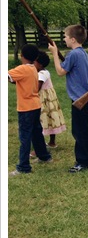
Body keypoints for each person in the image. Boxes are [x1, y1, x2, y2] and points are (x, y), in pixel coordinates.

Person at [49, 24, 88, 172]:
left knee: (79, 131)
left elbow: (60, 71)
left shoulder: (73, 54)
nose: (64, 39)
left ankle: (83, 161)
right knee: (87, 129)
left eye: (65, 37)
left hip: (80, 100)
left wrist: (54, 53)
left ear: (72, 39)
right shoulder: (82, 53)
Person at [8, 44, 53, 176]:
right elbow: (15, 80)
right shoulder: (34, 68)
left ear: (22, 56)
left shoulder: (22, 68)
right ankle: (44, 156)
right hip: (35, 105)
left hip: (25, 108)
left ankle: (23, 167)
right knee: (36, 132)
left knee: (25, 136)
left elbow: (8, 76)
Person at [33, 50, 66, 149]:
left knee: (42, 121)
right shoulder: (45, 72)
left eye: (34, 62)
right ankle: (52, 142)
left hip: (44, 101)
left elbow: (37, 88)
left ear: (40, 64)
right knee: (50, 120)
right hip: (49, 101)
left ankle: (40, 147)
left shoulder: (41, 74)